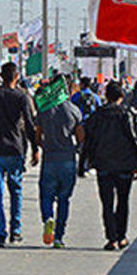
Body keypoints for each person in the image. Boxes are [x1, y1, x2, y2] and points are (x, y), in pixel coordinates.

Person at [80, 81, 137, 251]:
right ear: (122, 96)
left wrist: (83, 164)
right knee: (123, 201)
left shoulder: (97, 116)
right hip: (124, 166)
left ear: (106, 96)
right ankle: (121, 237)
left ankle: (111, 238)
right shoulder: (126, 114)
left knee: (107, 203)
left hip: (103, 165)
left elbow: (88, 142)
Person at [0, 62, 39, 247]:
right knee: (16, 191)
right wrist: (35, 148)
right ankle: (16, 230)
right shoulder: (21, 96)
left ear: (1, 76)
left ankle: (0, 233)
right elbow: (29, 124)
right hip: (15, 149)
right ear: (17, 77)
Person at [34, 81, 83, 249]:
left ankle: (48, 218)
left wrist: (44, 146)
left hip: (49, 159)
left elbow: (37, 136)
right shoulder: (74, 110)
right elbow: (81, 137)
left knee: (46, 195)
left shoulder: (44, 110)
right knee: (64, 199)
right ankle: (59, 237)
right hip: (68, 159)